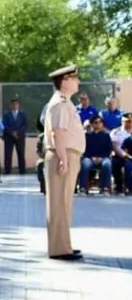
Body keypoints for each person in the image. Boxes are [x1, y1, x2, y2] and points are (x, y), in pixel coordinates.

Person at [44, 65, 85, 261]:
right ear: (65, 81)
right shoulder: (60, 103)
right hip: (64, 154)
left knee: (64, 203)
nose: (78, 82)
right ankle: (60, 249)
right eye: (75, 79)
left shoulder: (65, 102)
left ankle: (63, 244)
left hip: (67, 154)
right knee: (59, 203)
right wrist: (62, 159)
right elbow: (58, 133)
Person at [79, 116, 113, 194]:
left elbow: (109, 149)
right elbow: (83, 149)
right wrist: (92, 157)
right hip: (89, 157)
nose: (98, 124)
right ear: (91, 124)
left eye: (100, 122)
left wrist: (101, 157)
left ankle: (105, 188)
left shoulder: (106, 136)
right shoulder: (87, 136)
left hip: (103, 158)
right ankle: (83, 188)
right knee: (85, 164)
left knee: (107, 164)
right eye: (96, 122)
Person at [111, 113, 132, 195]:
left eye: (130, 121)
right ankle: (118, 186)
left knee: (129, 166)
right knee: (114, 163)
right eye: (127, 121)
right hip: (119, 155)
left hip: (130, 156)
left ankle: (129, 188)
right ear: (122, 121)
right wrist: (126, 155)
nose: (129, 123)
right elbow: (115, 147)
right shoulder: (116, 132)